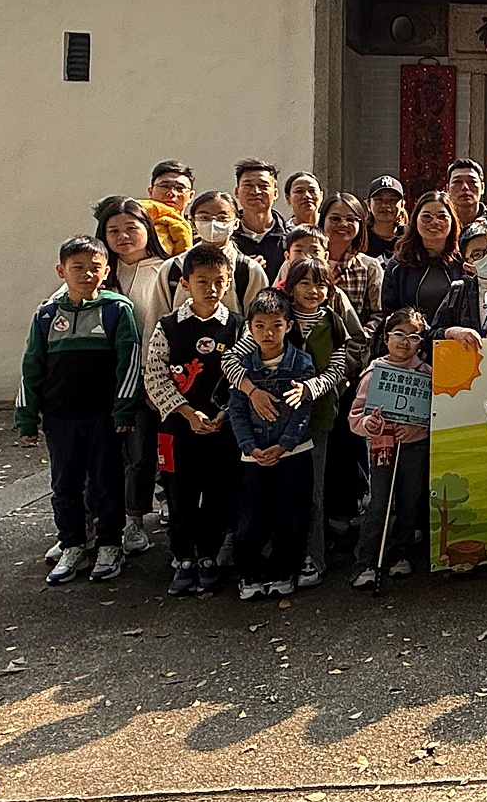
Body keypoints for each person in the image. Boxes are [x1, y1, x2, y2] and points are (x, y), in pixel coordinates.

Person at [234, 256, 366, 588]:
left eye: (320, 284)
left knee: (312, 494)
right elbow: (231, 360)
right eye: (304, 283)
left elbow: (336, 370)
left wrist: (309, 389)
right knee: (267, 495)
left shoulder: (333, 322)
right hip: (267, 421)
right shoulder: (276, 317)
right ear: (290, 287)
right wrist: (251, 391)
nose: (312, 290)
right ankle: (269, 562)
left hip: (316, 421)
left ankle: (312, 558)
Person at [17, 237, 142, 586]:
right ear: (62, 271)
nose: (86, 274)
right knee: (65, 484)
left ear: (106, 271)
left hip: (103, 417)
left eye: (94, 268)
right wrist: (27, 417)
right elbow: (31, 367)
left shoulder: (117, 310)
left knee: (106, 482)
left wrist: (123, 411)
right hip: (59, 417)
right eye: (77, 267)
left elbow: (129, 362)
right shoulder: (46, 315)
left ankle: (109, 545)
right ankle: (72, 544)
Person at [142, 243, 242, 597]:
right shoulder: (168, 326)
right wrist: (186, 412)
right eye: (202, 281)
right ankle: (183, 558)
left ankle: (209, 556)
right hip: (177, 429)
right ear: (185, 283)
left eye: (219, 281)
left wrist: (224, 413)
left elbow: (244, 377)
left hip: (221, 429)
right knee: (179, 494)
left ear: (228, 283)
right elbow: (155, 375)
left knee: (217, 494)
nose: (211, 289)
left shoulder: (237, 327)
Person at [94, 196, 173, 557]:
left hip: (160, 378)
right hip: (112, 382)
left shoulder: (166, 271)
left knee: (154, 453)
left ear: (148, 230)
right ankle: (128, 520)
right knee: (124, 455)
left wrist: (152, 379)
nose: (123, 236)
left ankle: (156, 509)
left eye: (131, 227)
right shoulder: (99, 273)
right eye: (113, 230)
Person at [226, 291, 317, 600]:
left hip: (294, 453)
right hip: (253, 456)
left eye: (276, 325)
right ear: (249, 328)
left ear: (288, 326)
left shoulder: (301, 363)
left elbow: (303, 410)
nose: (268, 333)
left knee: (291, 515)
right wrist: (249, 446)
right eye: (260, 326)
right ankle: (249, 575)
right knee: (250, 517)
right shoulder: (244, 368)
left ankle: (283, 571)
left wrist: (285, 444)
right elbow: (236, 409)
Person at [348, 307, 432, 587]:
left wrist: (419, 428)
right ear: (386, 338)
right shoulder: (374, 373)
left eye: (413, 337)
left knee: (410, 502)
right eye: (398, 334)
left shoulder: (427, 374)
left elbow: (434, 413)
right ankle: (365, 562)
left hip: (415, 446)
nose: (405, 342)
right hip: (381, 447)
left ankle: (400, 554)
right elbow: (355, 416)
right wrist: (369, 425)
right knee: (379, 504)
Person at [171, 190, 271, 316]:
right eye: (204, 217)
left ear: (236, 223)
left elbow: (260, 319)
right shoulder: (173, 268)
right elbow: (156, 319)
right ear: (192, 222)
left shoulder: (249, 270)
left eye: (222, 218)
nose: (213, 223)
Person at [380, 190, 463, 320]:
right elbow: (389, 312)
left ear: (452, 221)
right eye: (426, 216)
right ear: (415, 221)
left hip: (457, 333)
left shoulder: (464, 262)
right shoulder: (399, 265)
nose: (434, 222)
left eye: (442, 217)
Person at [321, 192, 384, 325]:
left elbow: (379, 314)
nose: (343, 224)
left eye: (351, 219)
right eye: (335, 219)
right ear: (323, 220)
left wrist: (361, 336)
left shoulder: (369, 267)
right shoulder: (305, 261)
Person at [233, 158, 290, 278]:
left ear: (275, 193)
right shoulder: (227, 237)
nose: (255, 191)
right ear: (237, 192)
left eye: (263, 186)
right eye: (248, 185)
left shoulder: (290, 237)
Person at [142, 160, 196, 256]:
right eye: (164, 186)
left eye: (179, 188)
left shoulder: (198, 234)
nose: (171, 193)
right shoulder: (138, 226)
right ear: (150, 191)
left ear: (191, 196)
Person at [445, 158, 487, 233]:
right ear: (447, 189)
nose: (465, 187)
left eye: (472, 181)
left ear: (482, 187)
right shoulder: (439, 227)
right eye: (457, 182)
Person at [364, 176, 408, 258]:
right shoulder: (360, 237)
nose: (385, 205)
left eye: (393, 200)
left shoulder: (410, 238)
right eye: (379, 199)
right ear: (368, 204)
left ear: (402, 205)